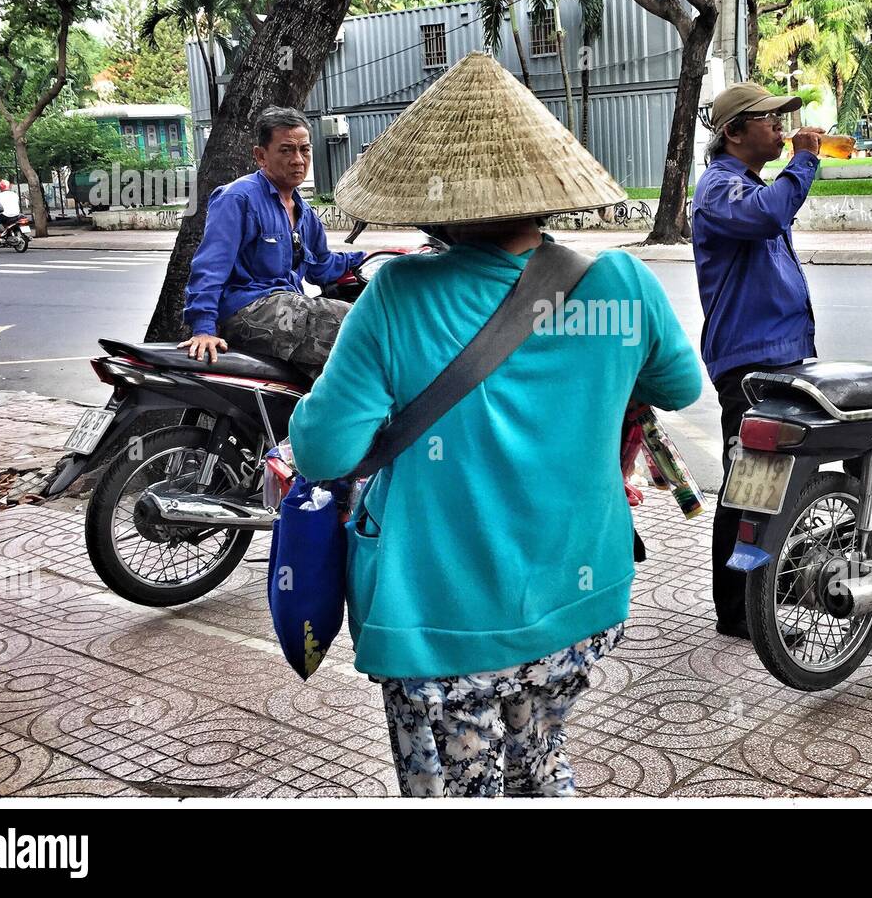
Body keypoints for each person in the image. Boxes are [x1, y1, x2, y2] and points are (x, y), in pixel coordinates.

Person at [287, 53, 703, 797]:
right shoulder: (622, 283)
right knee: (541, 756)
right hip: (578, 602)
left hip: (438, 619)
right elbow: (678, 383)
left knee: (461, 785)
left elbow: (323, 451)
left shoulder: (397, 296)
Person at [691, 81, 824, 640]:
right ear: (734, 133)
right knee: (748, 483)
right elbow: (770, 215)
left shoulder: (744, 184)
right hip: (749, 365)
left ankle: (766, 588)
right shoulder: (720, 189)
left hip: (777, 357)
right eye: (768, 120)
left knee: (773, 482)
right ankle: (738, 611)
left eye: (781, 119)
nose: (780, 127)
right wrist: (806, 159)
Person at [180, 106, 366, 379]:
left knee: (342, 375)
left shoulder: (305, 213)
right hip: (247, 309)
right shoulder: (238, 198)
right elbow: (210, 266)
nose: (298, 159)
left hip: (285, 308)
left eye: (304, 149)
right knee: (357, 324)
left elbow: (322, 267)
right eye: (286, 150)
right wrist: (204, 327)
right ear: (261, 156)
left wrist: (371, 260)